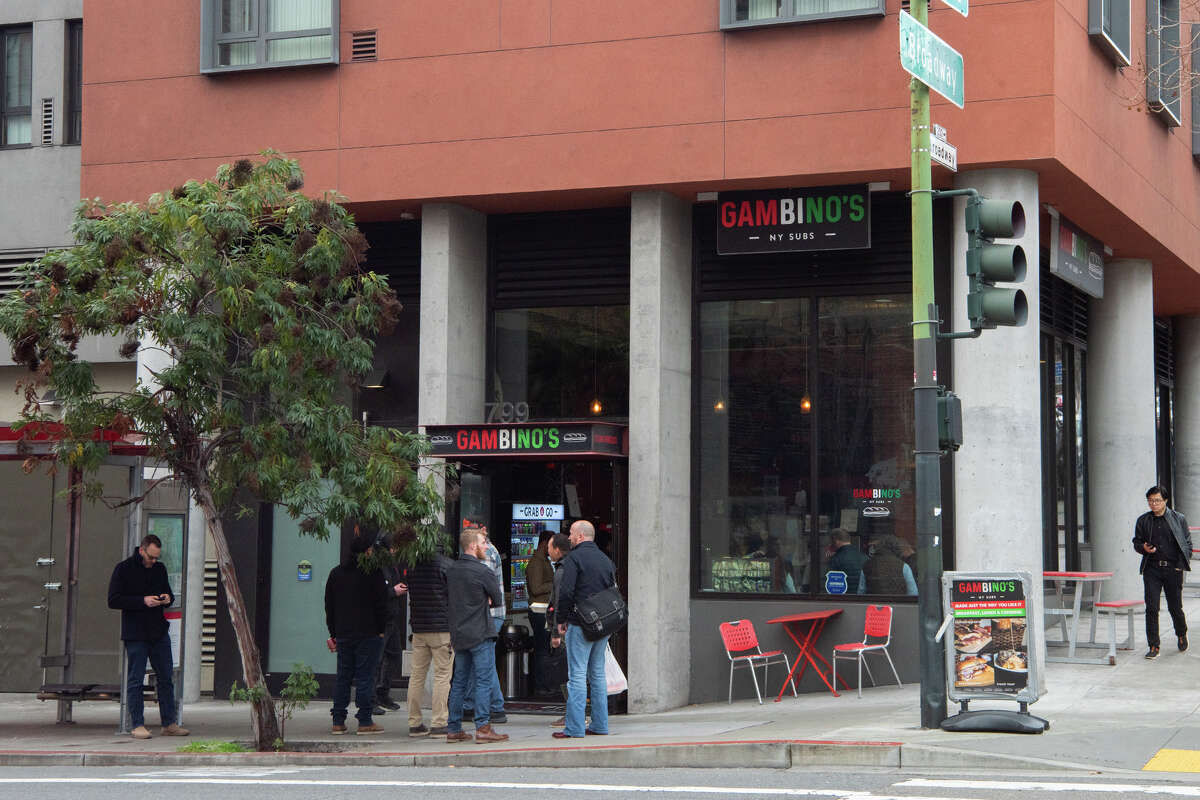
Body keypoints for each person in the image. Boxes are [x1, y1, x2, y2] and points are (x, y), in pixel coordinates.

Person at [107, 534, 189, 740]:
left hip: (158, 631)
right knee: (136, 678)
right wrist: (142, 601)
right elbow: (113, 600)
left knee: (166, 677)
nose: (153, 561)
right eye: (151, 557)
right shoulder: (123, 569)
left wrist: (166, 598)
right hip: (136, 632)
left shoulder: (159, 569)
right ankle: (137, 724)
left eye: (156, 558)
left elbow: (167, 594)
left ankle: (169, 722)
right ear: (142, 550)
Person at [553, 519, 617, 739]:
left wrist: (561, 619)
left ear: (580, 536)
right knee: (598, 674)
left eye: (571, 534)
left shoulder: (573, 559)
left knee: (577, 675)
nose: (568, 537)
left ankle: (574, 728)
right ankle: (600, 725)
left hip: (580, 623)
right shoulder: (605, 560)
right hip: (603, 624)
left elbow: (566, 592)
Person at [324, 533, 392, 735]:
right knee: (365, 676)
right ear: (368, 551)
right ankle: (364, 720)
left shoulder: (336, 574)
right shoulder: (374, 573)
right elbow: (382, 604)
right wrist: (381, 630)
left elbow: (329, 606)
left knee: (343, 677)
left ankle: (338, 720)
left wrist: (333, 632)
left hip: (344, 633)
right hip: (369, 632)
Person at [446, 527, 508, 743]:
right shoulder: (483, 572)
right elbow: (497, 600)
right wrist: (486, 598)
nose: (486, 547)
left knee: (459, 681)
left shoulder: (451, 570)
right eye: (483, 543)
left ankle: (453, 728)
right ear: (472, 545)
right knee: (483, 680)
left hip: (459, 633)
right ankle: (483, 727)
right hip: (480, 631)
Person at [1132, 485, 1192, 658]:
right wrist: (1143, 547)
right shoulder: (1143, 520)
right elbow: (1136, 542)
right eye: (1150, 501)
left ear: (1165, 500)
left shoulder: (1179, 518)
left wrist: (1180, 565)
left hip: (1173, 568)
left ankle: (1181, 633)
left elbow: (1187, 544)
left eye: (1157, 500)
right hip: (1152, 568)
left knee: (1175, 607)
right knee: (1151, 607)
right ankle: (1154, 646)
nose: (1154, 504)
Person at [460, 521, 507, 724]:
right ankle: (481, 705)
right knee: (482, 662)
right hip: (488, 614)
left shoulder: (485, 552)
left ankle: (493, 707)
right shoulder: (486, 549)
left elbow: (480, 585)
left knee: (483, 663)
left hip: (489, 614)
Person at [405, 550, 453, 737]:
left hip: (419, 628)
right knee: (442, 676)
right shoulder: (447, 565)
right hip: (442, 628)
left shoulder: (413, 566)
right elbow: (452, 598)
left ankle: (414, 722)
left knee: (417, 675)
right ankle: (439, 722)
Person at [375, 534, 408, 715]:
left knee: (394, 655)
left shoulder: (391, 565)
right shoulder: (378, 566)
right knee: (377, 659)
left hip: (392, 617)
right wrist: (393, 592)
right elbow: (375, 593)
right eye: (394, 547)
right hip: (382, 619)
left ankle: (382, 693)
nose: (396, 551)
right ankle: (372, 698)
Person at [525, 531, 556, 696]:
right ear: (544, 543)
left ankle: (544, 684)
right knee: (542, 648)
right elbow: (536, 588)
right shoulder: (536, 563)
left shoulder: (543, 561)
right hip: (538, 610)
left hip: (543, 610)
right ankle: (540, 685)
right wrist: (554, 583)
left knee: (544, 648)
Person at [827, 528, 867, 595]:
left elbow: (830, 584)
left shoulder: (836, 559)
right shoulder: (864, 556)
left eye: (831, 542)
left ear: (836, 541)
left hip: (843, 599)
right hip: (862, 599)